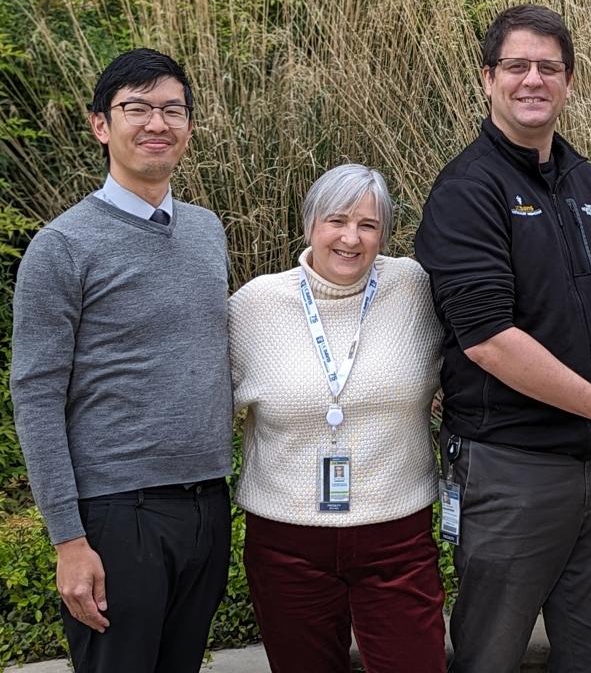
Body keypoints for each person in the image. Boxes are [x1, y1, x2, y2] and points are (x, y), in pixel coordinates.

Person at [414, 4, 591, 672]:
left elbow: (580, 300)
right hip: (513, 467)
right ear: (487, 78)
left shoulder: (587, 182)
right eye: (517, 66)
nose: (533, 80)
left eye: (548, 68)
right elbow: (488, 340)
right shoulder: (466, 191)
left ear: (570, 81)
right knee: (491, 655)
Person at [11, 48, 232, 672]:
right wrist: (68, 539)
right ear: (101, 125)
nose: (156, 123)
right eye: (137, 108)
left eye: (172, 109)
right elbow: (35, 395)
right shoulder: (62, 246)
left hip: (206, 507)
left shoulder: (205, 230)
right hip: (116, 517)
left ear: (189, 126)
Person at [228, 163, 446, 673]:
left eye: (368, 226)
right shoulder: (253, 306)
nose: (351, 238)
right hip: (286, 541)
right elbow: (210, 415)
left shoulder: (415, 288)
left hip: (397, 533)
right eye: (337, 221)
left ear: (385, 235)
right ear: (310, 226)